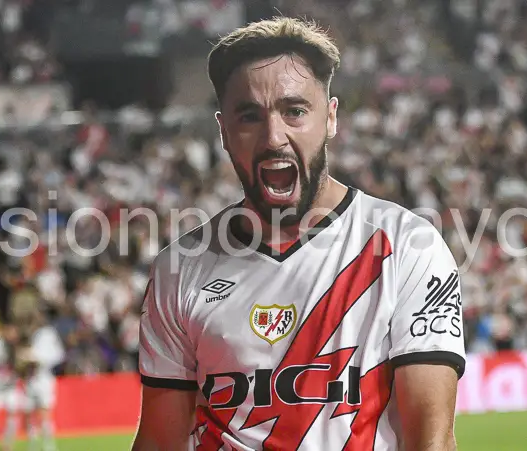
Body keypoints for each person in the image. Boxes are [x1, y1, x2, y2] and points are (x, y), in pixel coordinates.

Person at [132, 16, 466, 451]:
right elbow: (160, 441)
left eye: (294, 111)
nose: (274, 137)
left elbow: (432, 440)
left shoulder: (407, 247)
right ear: (224, 132)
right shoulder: (179, 269)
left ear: (330, 118)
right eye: (250, 116)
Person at [21, 313, 65, 451]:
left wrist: (35, 357)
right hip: (31, 378)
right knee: (29, 412)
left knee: (45, 413)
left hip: (44, 378)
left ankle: (48, 446)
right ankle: (33, 445)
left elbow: (57, 355)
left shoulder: (48, 334)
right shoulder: (31, 334)